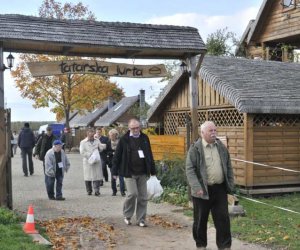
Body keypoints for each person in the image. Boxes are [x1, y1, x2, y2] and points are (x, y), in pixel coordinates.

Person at [185, 121, 234, 250]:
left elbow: (228, 166)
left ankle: (224, 246)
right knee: (200, 220)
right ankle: (201, 245)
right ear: (202, 133)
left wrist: (230, 185)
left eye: (214, 130)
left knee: (223, 220)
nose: (213, 133)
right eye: (210, 131)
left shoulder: (221, 147)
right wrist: (197, 187)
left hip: (219, 189)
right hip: (202, 190)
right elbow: (190, 170)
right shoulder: (195, 149)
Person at [112, 118, 156, 227]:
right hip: (129, 172)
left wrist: (153, 170)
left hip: (142, 172)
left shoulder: (145, 138)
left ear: (140, 127)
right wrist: (114, 171)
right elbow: (117, 156)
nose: (136, 130)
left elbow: (149, 154)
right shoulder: (124, 139)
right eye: (133, 128)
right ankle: (127, 215)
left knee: (143, 197)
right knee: (132, 194)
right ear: (129, 128)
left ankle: (141, 219)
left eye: (137, 128)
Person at [80, 128, 106, 196]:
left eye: (92, 134)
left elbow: (101, 148)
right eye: (90, 134)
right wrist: (90, 155)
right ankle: (89, 190)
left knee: (96, 176)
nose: (91, 136)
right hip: (88, 161)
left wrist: (102, 147)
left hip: (96, 160)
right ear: (87, 134)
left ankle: (97, 190)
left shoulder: (97, 140)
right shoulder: (83, 142)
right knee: (88, 176)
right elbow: (82, 152)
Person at [107, 128, 125, 196]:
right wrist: (112, 153)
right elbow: (107, 151)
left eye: (113, 135)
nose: (111, 136)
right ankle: (114, 191)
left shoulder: (120, 142)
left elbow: (123, 151)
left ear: (116, 135)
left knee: (121, 177)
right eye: (110, 135)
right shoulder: (108, 142)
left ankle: (122, 191)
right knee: (113, 177)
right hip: (112, 163)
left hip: (120, 162)